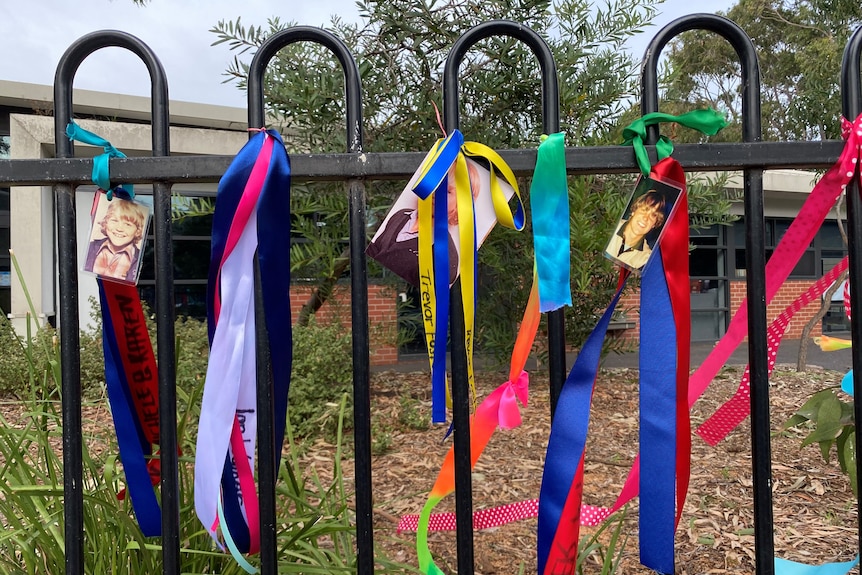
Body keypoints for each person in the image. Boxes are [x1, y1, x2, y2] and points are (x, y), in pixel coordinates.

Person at [367, 159, 480, 287]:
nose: (435, 193)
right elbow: (375, 249)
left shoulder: (446, 253)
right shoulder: (401, 215)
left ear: (461, 203)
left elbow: (428, 292)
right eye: (433, 183)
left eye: (446, 191)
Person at [84, 196, 147, 283]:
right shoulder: (90, 248)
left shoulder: (139, 258)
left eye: (128, 224)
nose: (119, 229)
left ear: (137, 231)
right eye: (114, 220)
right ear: (105, 223)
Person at [605, 190, 666, 270]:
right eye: (644, 210)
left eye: (653, 215)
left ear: (654, 224)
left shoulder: (645, 259)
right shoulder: (609, 227)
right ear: (634, 210)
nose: (645, 218)